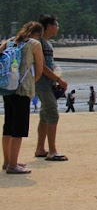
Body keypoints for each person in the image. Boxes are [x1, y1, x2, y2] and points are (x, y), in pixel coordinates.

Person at [1, 21, 44, 174]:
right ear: (38, 34)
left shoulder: (10, 41)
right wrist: (31, 82)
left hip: (7, 88)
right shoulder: (34, 44)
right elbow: (39, 69)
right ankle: (13, 165)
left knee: (8, 125)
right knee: (19, 128)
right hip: (23, 89)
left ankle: (7, 161)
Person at [34, 14, 69, 162]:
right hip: (43, 84)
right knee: (52, 113)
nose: (58, 27)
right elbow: (41, 67)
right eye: (56, 24)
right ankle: (52, 151)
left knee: (44, 115)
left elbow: (48, 65)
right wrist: (58, 79)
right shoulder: (40, 43)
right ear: (49, 26)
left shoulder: (47, 43)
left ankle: (40, 148)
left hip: (45, 83)